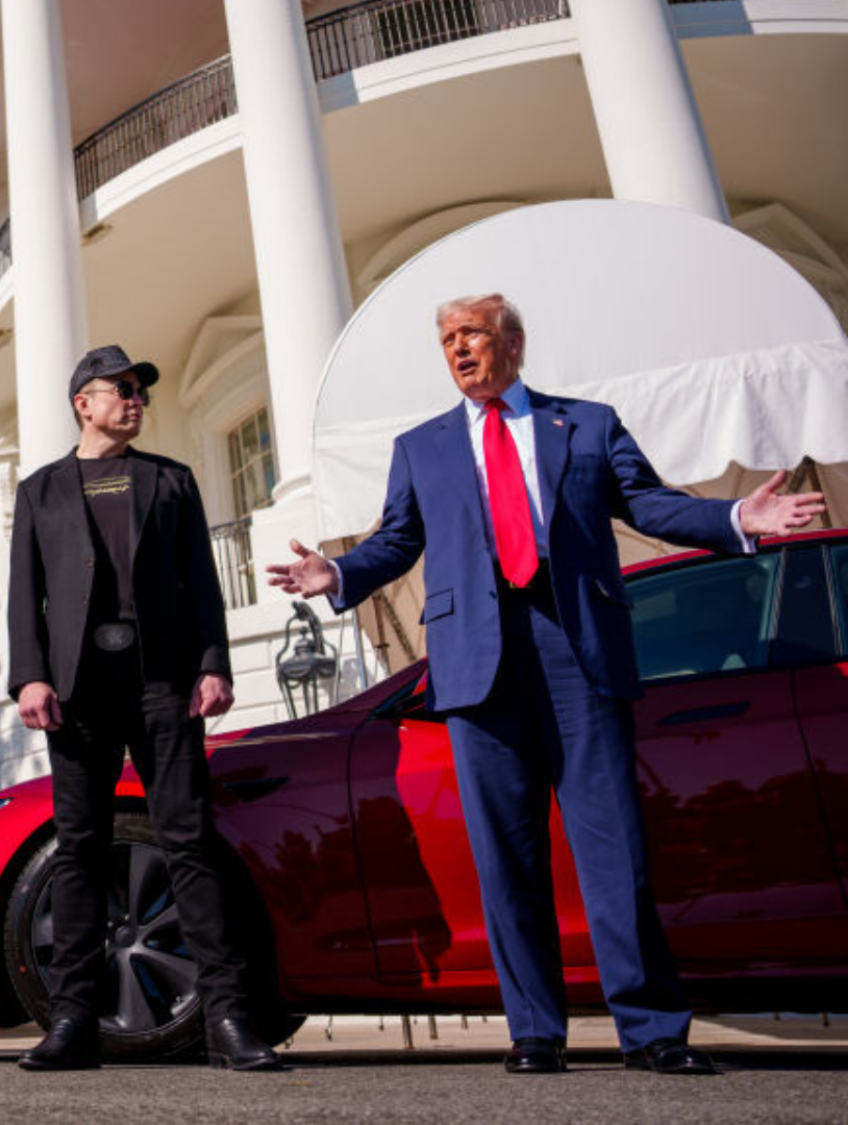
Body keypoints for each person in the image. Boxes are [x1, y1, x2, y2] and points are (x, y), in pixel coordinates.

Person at [267, 294, 824, 1076]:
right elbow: (396, 539)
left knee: (614, 847)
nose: (459, 350)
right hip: (476, 661)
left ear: (514, 345)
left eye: (472, 335)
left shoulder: (586, 424)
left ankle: (653, 1028)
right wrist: (338, 572)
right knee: (506, 853)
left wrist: (737, 517)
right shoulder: (421, 446)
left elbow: (652, 504)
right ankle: (535, 1030)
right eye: (447, 340)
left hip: (578, 649)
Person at [7, 344, 281, 1072]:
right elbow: (22, 596)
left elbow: (202, 581)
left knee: (189, 843)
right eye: (121, 390)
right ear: (83, 403)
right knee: (79, 849)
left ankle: (228, 1017)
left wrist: (213, 664)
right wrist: (30, 676)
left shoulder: (171, 480)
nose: (135, 400)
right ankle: (73, 1020)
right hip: (78, 692)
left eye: (139, 392)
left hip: (163, 681)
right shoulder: (39, 492)